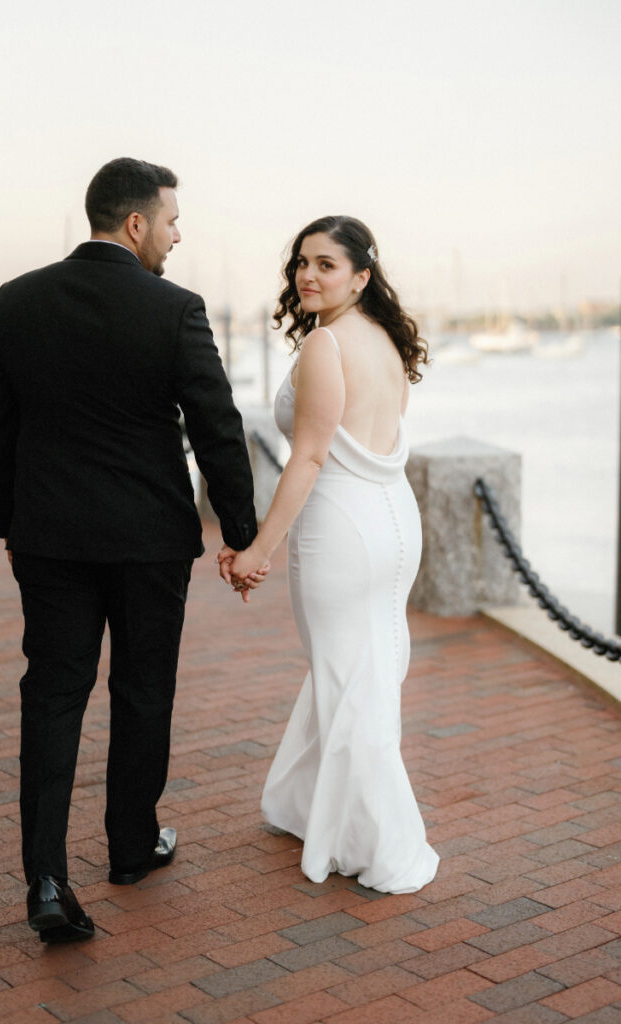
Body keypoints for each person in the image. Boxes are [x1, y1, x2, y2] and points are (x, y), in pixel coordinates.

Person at [0, 158, 258, 943]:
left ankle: (45, 877)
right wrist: (241, 531)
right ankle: (131, 846)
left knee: (53, 695)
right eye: (171, 222)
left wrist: (11, 514)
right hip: (147, 541)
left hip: (50, 540)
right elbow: (216, 425)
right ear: (136, 224)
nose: (176, 236)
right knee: (142, 689)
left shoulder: (15, 299)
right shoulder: (174, 308)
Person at [220, 215, 439, 893]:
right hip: (393, 520)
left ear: (361, 276)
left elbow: (309, 456)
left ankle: (380, 842)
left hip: (341, 529)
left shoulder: (325, 346)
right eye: (301, 263)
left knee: (348, 676)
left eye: (325, 265)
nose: (307, 276)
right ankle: (312, 805)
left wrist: (259, 546)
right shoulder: (383, 338)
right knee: (360, 672)